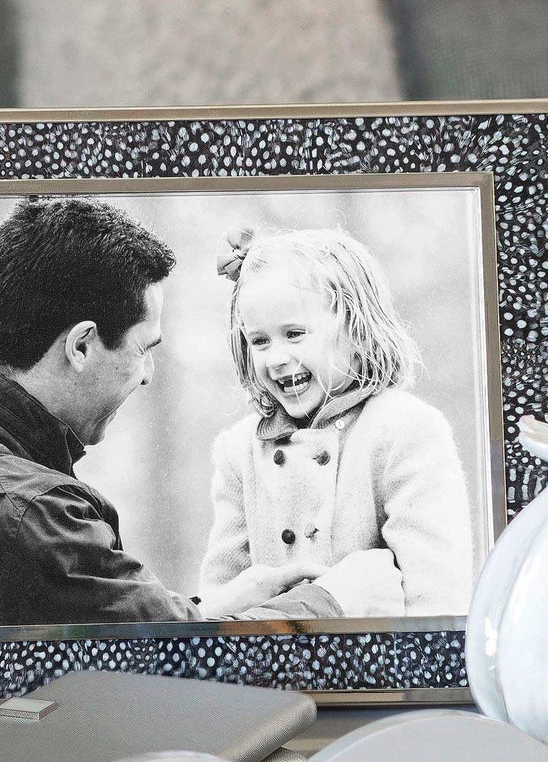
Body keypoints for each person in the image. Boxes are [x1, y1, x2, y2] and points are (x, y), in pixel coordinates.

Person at [0, 197, 333, 628]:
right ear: (82, 346)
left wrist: (218, 605)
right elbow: (177, 668)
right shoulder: (28, 515)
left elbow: (113, 625)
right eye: (144, 349)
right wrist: (334, 602)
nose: (147, 376)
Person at [196, 226, 473, 618]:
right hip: (266, 670)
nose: (275, 357)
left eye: (294, 334)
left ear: (356, 330)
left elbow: (438, 595)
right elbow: (220, 601)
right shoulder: (239, 450)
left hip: (379, 672)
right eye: (259, 341)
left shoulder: (404, 430)